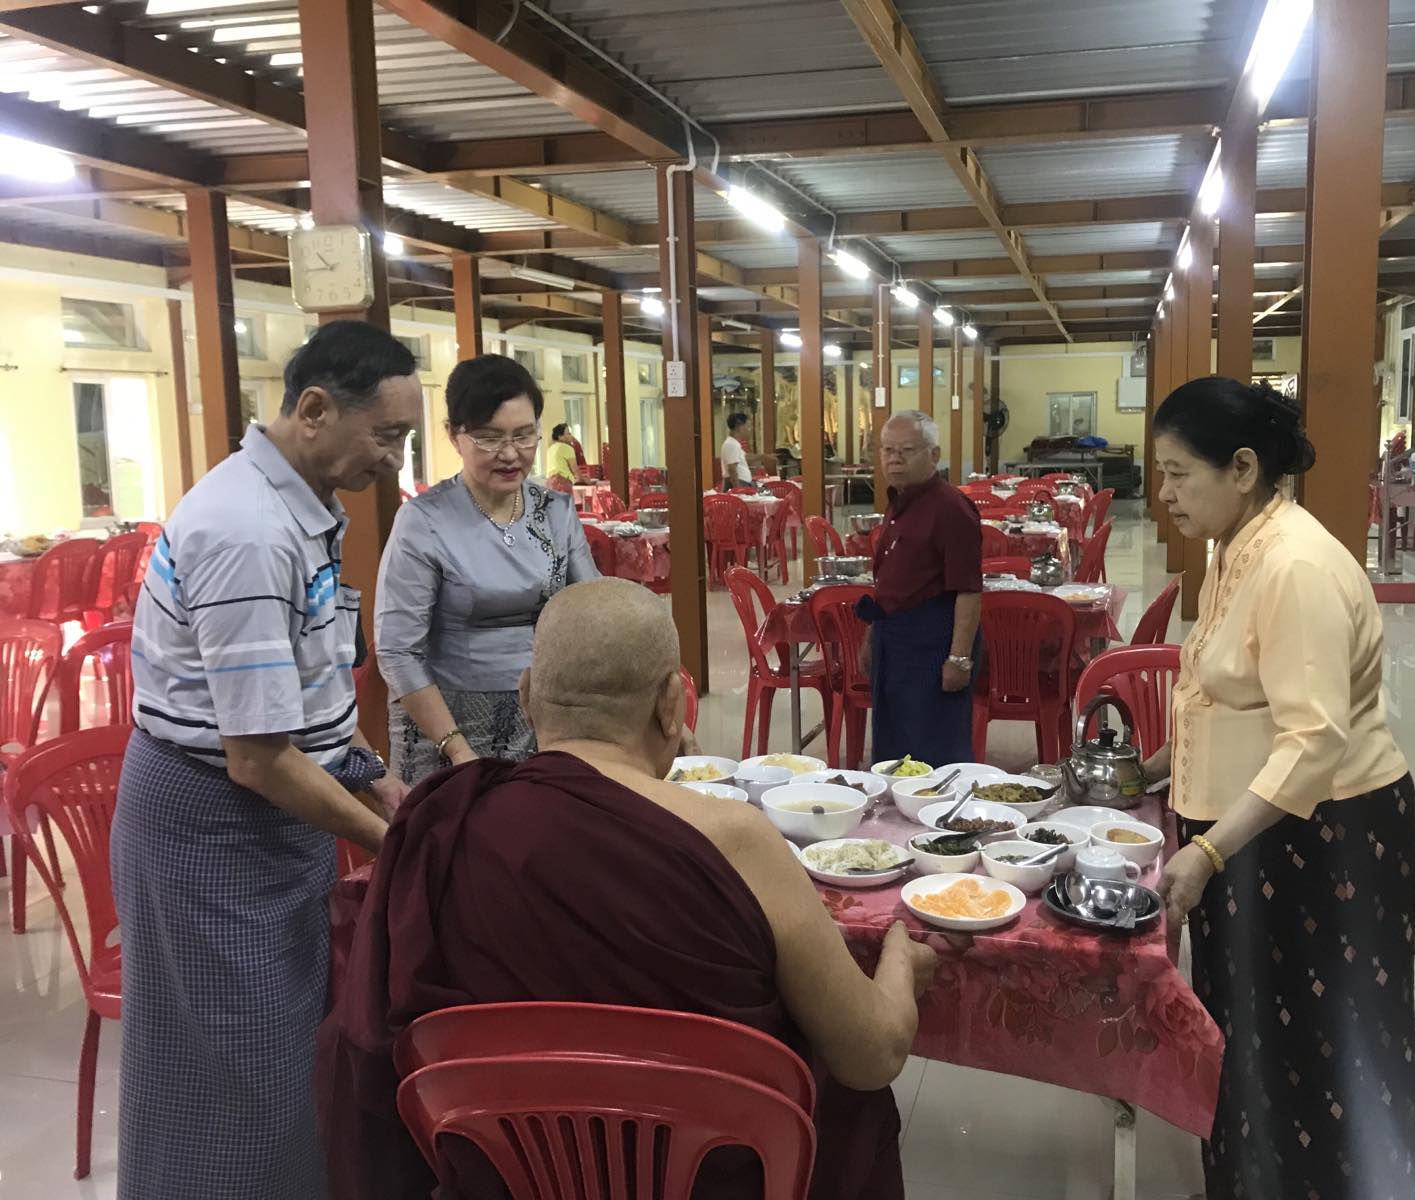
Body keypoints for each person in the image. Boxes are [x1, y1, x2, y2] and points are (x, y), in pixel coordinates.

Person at [319, 578, 934, 1200]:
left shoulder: (448, 827)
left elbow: (375, 1043)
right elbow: (871, 1057)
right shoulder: (734, 838)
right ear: (672, 705)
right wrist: (900, 963)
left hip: (517, 1174)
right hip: (706, 1178)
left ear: (527, 696)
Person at [112, 320, 418, 1200]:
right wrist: (392, 844)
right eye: (386, 436)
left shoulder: (301, 505)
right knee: (232, 1073)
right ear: (314, 409)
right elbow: (256, 757)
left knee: (287, 1055)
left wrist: (376, 775)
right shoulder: (245, 528)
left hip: (271, 814)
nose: (393, 461)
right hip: (212, 826)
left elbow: (308, 687)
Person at [1144, 377, 1415, 1200]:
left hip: (1324, 837)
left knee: (1318, 1038)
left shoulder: (1294, 564)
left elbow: (1313, 739)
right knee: (1248, 1027)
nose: (1163, 493)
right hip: (1255, 829)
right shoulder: (1237, 542)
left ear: (1242, 468)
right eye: (1161, 473)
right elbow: (1231, 694)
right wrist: (1156, 769)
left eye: (1178, 473)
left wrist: (1206, 853)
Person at [375, 355, 598, 785]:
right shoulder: (424, 522)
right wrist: (459, 751)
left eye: (524, 435)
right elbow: (398, 651)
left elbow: (594, 609)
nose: (510, 454)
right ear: (453, 436)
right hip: (446, 726)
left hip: (541, 718)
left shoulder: (555, 511)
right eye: (489, 438)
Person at [860, 410, 982, 766]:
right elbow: (891, 582)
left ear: (934, 454)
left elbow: (969, 590)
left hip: (932, 643)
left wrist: (959, 659)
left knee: (934, 749)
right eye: (887, 450)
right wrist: (872, 636)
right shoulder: (900, 502)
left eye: (906, 450)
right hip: (894, 640)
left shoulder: (951, 508)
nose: (894, 459)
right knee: (893, 747)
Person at [722, 410, 754, 488]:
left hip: (743, 483)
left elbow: (745, 457)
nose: (750, 429)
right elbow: (732, 469)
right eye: (748, 426)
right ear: (739, 427)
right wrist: (738, 490)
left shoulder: (734, 443)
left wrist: (764, 456)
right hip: (739, 484)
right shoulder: (731, 444)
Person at [544, 421, 580, 490]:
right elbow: (575, 470)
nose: (571, 436)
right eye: (568, 433)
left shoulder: (550, 449)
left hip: (549, 483)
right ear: (560, 437)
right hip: (563, 483)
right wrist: (585, 480)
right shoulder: (567, 448)